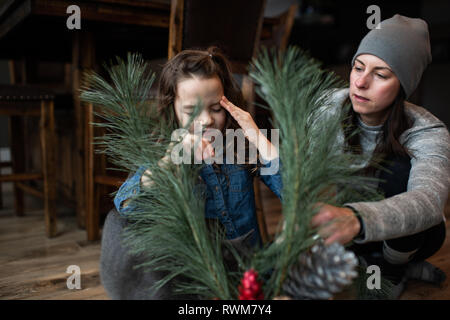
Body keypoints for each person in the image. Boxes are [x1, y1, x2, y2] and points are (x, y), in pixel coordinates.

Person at [100, 47, 282, 299]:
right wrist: (169, 163)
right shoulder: (163, 151)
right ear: (172, 106)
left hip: (247, 275)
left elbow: (292, 189)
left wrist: (259, 138)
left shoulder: (238, 146)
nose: (206, 119)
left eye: (215, 108)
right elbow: (128, 206)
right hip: (194, 280)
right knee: (116, 222)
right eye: (191, 111)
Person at [310, 15, 449, 297]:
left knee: (398, 170)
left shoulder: (428, 129)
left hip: (406, 233)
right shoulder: (328, 108)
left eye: (381, 74)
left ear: (403, 85)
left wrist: (358, 219)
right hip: (342, 223)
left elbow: (428, 200)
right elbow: (306, 174)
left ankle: (394, 269)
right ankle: (380, 264)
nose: (360, 82)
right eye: (358, 68)